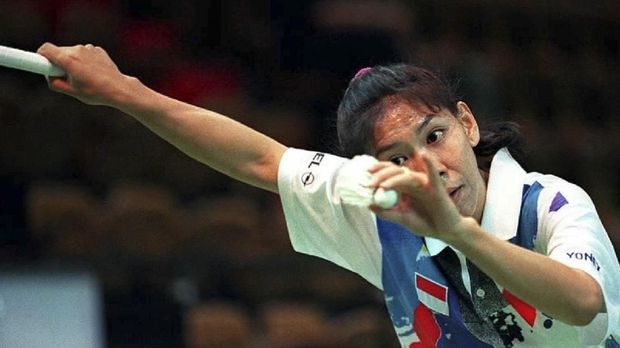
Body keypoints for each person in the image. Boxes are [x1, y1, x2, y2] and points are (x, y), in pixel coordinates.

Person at [36, 43, 620, 347]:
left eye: (435, 136)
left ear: (467, 124)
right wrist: (123, 92)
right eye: (396, 159)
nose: (429, 167)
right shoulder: (382, 209)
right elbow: (261, 159)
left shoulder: (551, 207)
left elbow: (582, 303)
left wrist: (456, 232)